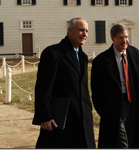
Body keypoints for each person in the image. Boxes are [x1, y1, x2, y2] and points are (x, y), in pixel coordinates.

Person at [32, 17, 95, 148]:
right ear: (70, 31)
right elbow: (43, 88)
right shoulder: (53, 54)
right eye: (81, 30)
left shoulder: (83, 57)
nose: (85, 34)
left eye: (87, 31)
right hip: (60, 121)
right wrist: (44, 116)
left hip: (82, 120)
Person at [91, 23, 139, 148]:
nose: (124, 41)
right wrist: (105, 112)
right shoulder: (101, 61)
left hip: (133, 104)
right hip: (114, 109)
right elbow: (96, 92)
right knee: (120, 143)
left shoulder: (135, 54)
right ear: (112, 38)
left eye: (126, 37)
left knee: (133, 138)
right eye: (120, 37)